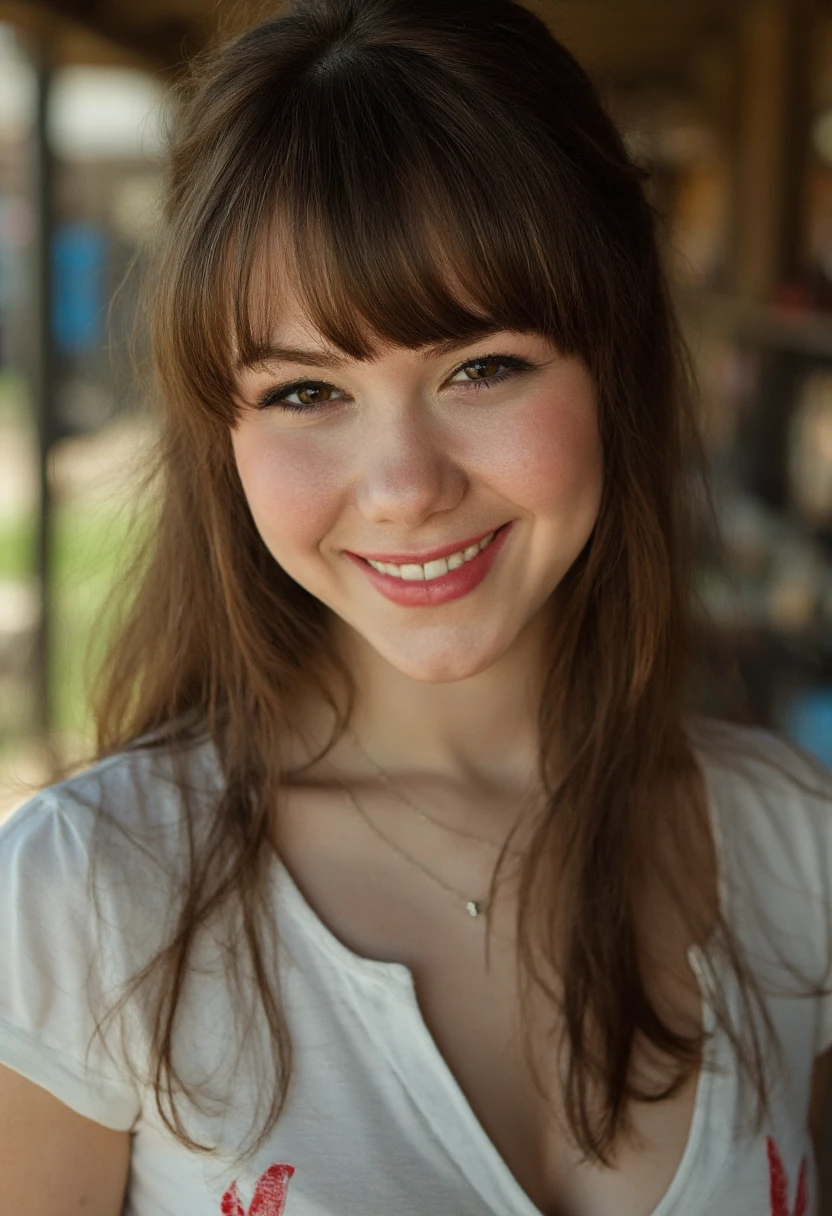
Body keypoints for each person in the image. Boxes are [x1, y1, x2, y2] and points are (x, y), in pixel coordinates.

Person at [1, 1, 831, 1213]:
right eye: (303, 392)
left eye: (481, 367)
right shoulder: (82, 902)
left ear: (615, 365)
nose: (404, 490)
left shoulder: (794, 852)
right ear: (217, 437)